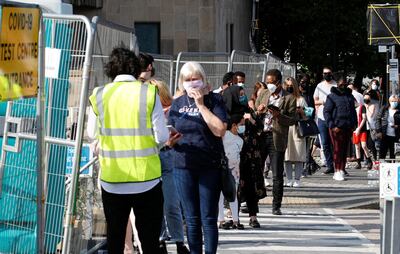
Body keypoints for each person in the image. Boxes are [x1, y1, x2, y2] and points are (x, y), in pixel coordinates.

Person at [87, 47, 168, 253]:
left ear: (110, 69)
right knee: (149, 241)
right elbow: (162, 136)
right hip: (146, 179)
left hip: (113, 180)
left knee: (115, 239)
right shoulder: (149, 93)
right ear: (135, 68)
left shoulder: (99, 95)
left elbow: (91, 133)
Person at [168, 62, 227, 254]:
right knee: (191, 219)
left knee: (208, 218)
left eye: (195, 79)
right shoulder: (177, 103)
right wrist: (170, 141)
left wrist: (201, 106)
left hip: (209, 165)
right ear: (182, 82)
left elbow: (219, 130)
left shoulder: (215, 100)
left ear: (203, 79)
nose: (192, 83)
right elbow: (168, 133)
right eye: (188, 80)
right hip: (182, 165)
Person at [149, 79, 190, 254]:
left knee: (172, 203)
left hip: (168, 157)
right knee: (155, 205)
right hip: (151, 159)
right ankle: (160, 240)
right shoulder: (145, 111)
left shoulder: (173, 109)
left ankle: (179, 241)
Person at [255, 69, 297, 215]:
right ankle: (252, 202)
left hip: (277, 137)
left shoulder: (289, 98)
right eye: (268, 82)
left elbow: (292, 120)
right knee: (255, 170)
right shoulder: (264, 93)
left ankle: (276, 205)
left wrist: (279, 116)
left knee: (277, 173)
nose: (269, 85)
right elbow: (256, 108)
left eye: (272, 82)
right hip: (261, 135)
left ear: (279, 82)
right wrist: (258, 110)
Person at [324, 77, 358, 181]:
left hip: (348, 126)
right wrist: (332, 126)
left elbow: (353, 111)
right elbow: (327, 112)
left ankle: (342, 169)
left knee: (344, 150)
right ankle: (337, 170)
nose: (343, 86)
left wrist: (354, 124)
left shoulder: (350, 96)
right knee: (337, 149)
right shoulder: (331, 96)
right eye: (341, 84)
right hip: (336, 127)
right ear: (337, 84)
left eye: (345, 84)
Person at [218, 114, 244, 230]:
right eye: (241, 124)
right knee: (220, 195)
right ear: (234, 125)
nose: (243, 127)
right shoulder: (225, 135)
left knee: (234, 195)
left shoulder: (240, 140)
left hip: (235, 171)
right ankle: (221, 220)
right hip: (222, 168)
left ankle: (235, 220)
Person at [283, 77, 308, 188]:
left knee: (299, 154)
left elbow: (308, 116)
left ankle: (297, 179)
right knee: (286, 155)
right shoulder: (282, 99)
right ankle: (288, 179)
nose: (289, 87)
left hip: (297, 129)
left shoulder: (301, 100)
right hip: (285, 129)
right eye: (287, 85)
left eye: (291, 85)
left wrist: (301, 112)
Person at [314, 67, 336, 174]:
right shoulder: (320, 86)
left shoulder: (335, 85)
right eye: (324, 73)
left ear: (331, 73)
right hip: (322, 118)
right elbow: (315, 101)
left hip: (334, 118)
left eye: (328, 73)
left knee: (335, 142)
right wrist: (323, 102)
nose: (326, 75)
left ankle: (339, 165)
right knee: (325, 142)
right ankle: (329, 164)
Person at [376, 95, 400, 159]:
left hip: (395, 136)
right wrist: (379, 131)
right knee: (382, 154)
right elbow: (378, 119)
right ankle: (381, 167)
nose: (394, 102)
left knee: (393, 155)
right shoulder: (384, 108)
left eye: (395, 101)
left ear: (398, 101)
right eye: (392, 101)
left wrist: (398, 126)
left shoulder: (399, 111)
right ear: (389, 101)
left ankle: (392, 168)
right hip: (384, 135)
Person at [352, 98, 373, 170]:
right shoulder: (351, 109)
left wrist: (359, 128)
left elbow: (364, 118)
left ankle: (369, 161)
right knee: (357, 146)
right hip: (354, 130)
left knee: (364, 146)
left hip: (362, 129)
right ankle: (358, 163)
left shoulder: (362, 107)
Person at [364, 92, 379, 160]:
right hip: (365, 126)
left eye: (368, 98)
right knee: (365, 144)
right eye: (365, 98)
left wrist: (367, 108)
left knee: (372, 143)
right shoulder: (363, 106)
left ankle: (375, 158)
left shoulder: (374, 105)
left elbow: (371, 115)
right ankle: (368, 159)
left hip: (372, 127)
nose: (366, 100)